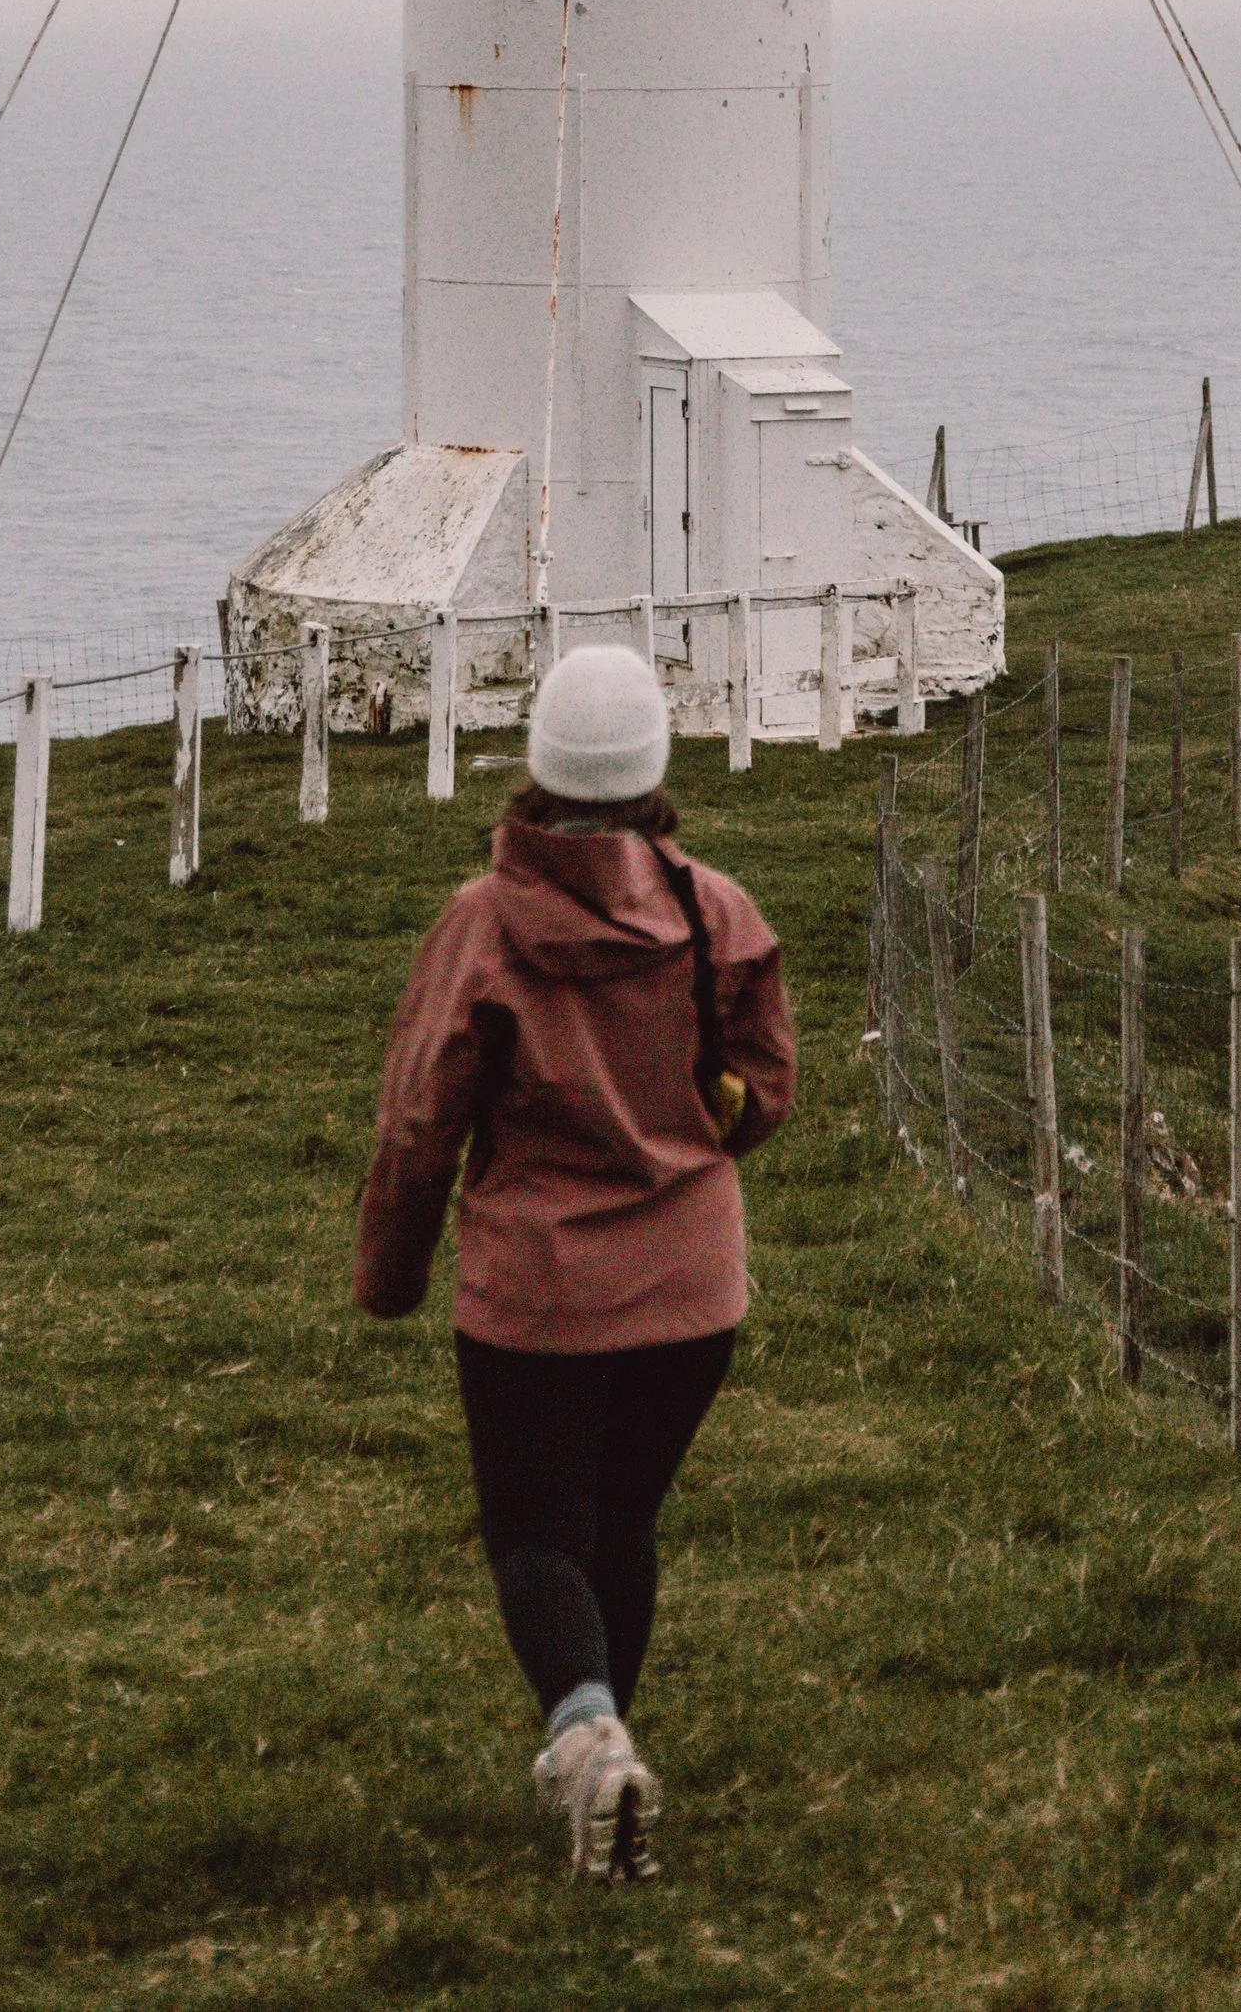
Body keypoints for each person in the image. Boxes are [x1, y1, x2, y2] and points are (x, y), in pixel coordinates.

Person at [353, 642, 797, 1883]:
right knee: (623, 1521)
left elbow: (417, 1118)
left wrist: (388, 1274)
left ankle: (589, 1743)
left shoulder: (483, 925)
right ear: (656, 765)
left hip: (537, 1293)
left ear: (534, 767)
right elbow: (763, 1095)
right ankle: (607, 1757)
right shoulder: (717, 911)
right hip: (692, 1291)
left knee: (537, 1535)